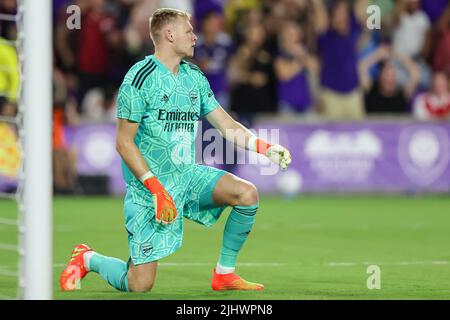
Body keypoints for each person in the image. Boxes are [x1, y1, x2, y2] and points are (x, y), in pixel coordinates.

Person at [60, 8, 291, 293]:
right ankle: (87, 257)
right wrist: (156, 189)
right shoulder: (139, 78)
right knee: (140, 284)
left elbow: (227, 125)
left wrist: (265, 147)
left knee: (246, 194)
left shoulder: (193, 76)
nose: (195, 36)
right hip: (149, 191)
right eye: (189, 30)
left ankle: (224, 273)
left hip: (186, 177)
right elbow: (123, 143)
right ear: (170, 35)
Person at [359, 44, 420, 114]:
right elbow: (362, 67)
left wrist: (398, 55)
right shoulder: (370, 89)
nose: (388, 79)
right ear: (380, 78)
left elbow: (415, 73)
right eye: (386, 75)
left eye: (392, 76)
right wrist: (377, 55)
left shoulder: (402, 94)